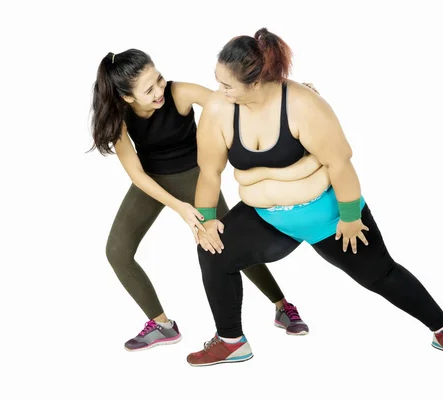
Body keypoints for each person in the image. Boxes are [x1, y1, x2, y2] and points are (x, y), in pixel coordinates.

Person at [187, 28, 443, 366]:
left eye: (226, 85)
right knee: (212, 251)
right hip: (268, 218)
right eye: (217, 82)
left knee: (380, 275)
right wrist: (205, 222)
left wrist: (351, 218)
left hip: (329, 216)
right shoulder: (220, 110)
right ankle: (231, 341)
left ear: (255, 81)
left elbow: (340, 164)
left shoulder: (301, 104)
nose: (219, 91)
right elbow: (209, 173)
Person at [89, 49, 319, 352]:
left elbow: (235, 104)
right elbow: (137, 175)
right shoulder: (119, 117)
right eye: (149, 89)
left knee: (228, 243)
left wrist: (288, 100)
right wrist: (181, 208)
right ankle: (162, 325)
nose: (160, 90)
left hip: (196, 177)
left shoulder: (180, 93)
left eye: (158, 79)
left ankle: (282, 306)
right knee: (116, 251)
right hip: (153, 183)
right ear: (128, 98)